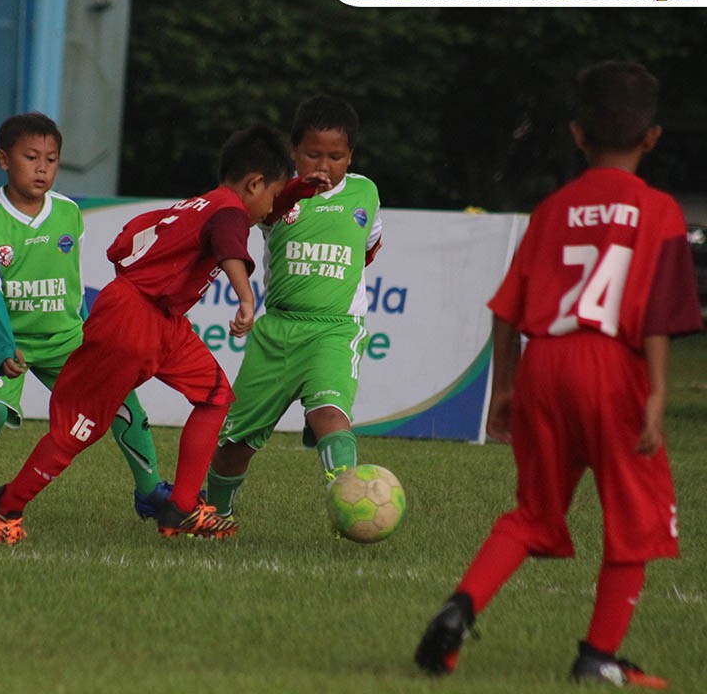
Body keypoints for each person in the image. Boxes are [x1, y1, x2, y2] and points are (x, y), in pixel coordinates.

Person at [414, 61, 702, 687]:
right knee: (636, 521)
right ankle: (598, 657)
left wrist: (510, 385)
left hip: (545, 362)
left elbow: (507, 309)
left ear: (577, 134)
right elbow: (656, 313)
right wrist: (656, 393)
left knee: (533, 513)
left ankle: (459, 608)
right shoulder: (659, 211)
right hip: (612, 368)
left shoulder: (552, 209)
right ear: (651, 138)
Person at [0, 123, 294, 544]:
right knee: (81, 428)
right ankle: (7, 502)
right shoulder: (229, 212)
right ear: (254, 184)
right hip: (131, 319)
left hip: (162, 319)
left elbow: (126, 244)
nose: (270, 210)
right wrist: (246, 299)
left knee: (215, 396)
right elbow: (229, 245)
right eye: (272, 196)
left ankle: (181, 509)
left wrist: (305, 187)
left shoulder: (199, 204)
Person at [0, 112, 168, 524]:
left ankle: (151, 493)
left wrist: (95, 335)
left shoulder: (68, 213)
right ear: (3, 160)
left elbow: (73, 284)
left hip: (62, 339)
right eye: (31, 157)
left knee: (123, 404)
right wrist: (5, 347)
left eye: (52, 159)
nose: (42, 168)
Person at [205, 94, 383, 519]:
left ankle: (349, 504)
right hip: (278, 331)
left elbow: (370, 246)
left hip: (335, 328)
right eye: (313, 154)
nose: (324, 165)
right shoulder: (278, 195)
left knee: (330, 411)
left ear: (350, 156)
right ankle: (215, 512)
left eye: (336, 156)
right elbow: (251, 218)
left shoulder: (365, 193)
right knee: (236, 443)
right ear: (293, 152)